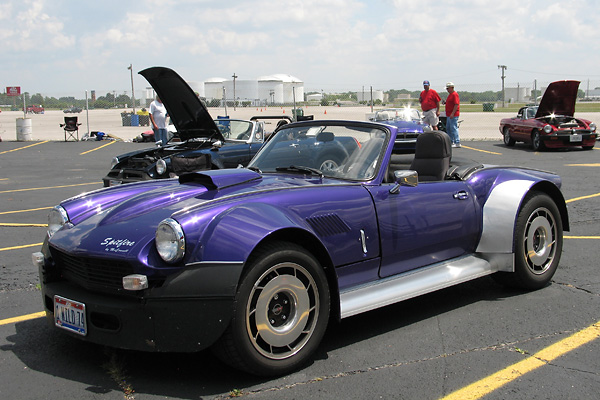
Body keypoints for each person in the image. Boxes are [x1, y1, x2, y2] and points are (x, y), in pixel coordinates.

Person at [445, 82, 461, 148]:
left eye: (448, 88)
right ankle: (451, 141)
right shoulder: (450, 95)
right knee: (448, 128)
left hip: (453, 115)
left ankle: (457, 142)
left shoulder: (455, 94)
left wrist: (452, 113)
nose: (447, 90)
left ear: (451, 88)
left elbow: (456, 104)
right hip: (449, 114)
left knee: (453, 128)